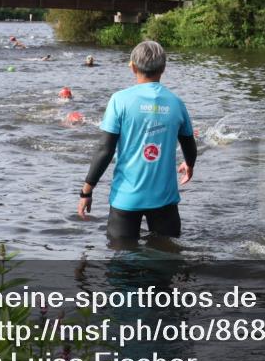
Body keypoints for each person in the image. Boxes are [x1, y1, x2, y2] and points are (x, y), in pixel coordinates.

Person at [78, 41, 197, 245]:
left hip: (126, 199)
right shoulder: (176, 103)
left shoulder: (119, 100)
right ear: (164, 68)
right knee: (166, 262)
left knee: (121, 265)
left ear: (132, 67)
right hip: (165, 200)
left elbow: (105, 150)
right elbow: (189, 144)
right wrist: (189, 163)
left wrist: (86, 190)